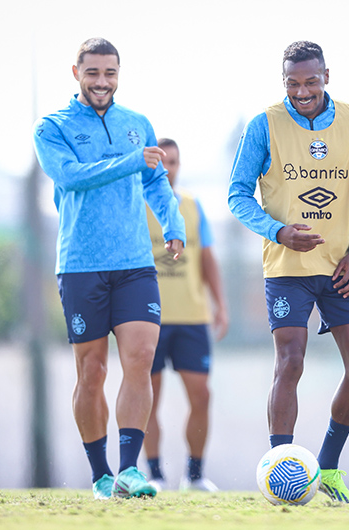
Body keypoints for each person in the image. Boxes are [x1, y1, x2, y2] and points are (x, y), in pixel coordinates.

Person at [228, 41, 349, 504]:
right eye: (292, 84)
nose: (302, 91)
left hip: (342, 268)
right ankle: (281, 471)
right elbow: (238, 195)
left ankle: (329, 468)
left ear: (327, 76)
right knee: (290, 362)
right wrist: (278, 232)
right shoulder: (264, 125)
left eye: (310, 82)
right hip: (288, 268)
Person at [32, 37, 186, 500]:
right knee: (93, 371)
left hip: (135, 263)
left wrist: (172, 223)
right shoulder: (51, 127)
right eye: (93, 73)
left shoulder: (137, 124)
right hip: (81, 265)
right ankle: (100, 475)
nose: (102, 82)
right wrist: (128, 162)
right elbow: (71, 176)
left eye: (110, 73)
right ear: (75, 72)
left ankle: (129, 471)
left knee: (139, 360)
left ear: (119, 74)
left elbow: (156, 180)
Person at [143, 138, 229, 493]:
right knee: (147, 398)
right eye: (161, 163)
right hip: (147, 318)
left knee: (202, 396)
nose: (167, 169)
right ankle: (154, 474)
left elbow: (207, 259)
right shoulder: (135, 205)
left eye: (173, 162)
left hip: (192, 318)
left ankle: (194, 475)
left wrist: (219, 305)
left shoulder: (193, 206)